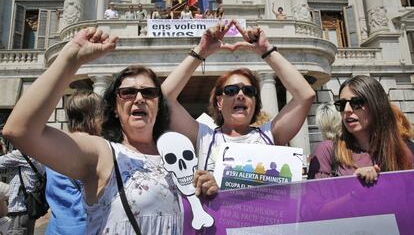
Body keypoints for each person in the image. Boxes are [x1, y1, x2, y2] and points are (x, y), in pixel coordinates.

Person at [3, 27, 217, 234]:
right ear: (114, 108)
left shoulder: (178, 154)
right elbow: (20, 131)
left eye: (149, 92)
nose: (139, 98)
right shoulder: (102, 153)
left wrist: (208, 189)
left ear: (158, 105)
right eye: (128, 92)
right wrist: (70, 59)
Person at [162, 21, 316, 177]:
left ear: (255, 102)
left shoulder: (269, 135)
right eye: (231, 90)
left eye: (248, 91)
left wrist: (266, 50)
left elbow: (305, 96)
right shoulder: (203, 138)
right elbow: (165, 97)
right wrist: (200, 52)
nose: (240, 95)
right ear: (219, 102)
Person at [307, 75, 413, 183]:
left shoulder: (403, 150)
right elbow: (316, 199)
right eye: (341, 104)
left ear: (376, 105)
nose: (347, 110)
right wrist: (355, 187)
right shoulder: (327, 151)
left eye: (356, 103)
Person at [45, 90, 103, 235]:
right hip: (87, 228)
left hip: (56, 228)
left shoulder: (54, 146)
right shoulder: (94, 149)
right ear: (93, 116)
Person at [0, 144, 44, 235]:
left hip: (20, 209)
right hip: (29, 208)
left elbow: (2, 161)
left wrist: (3, 147)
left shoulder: (22, 154)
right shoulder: (36, 152)